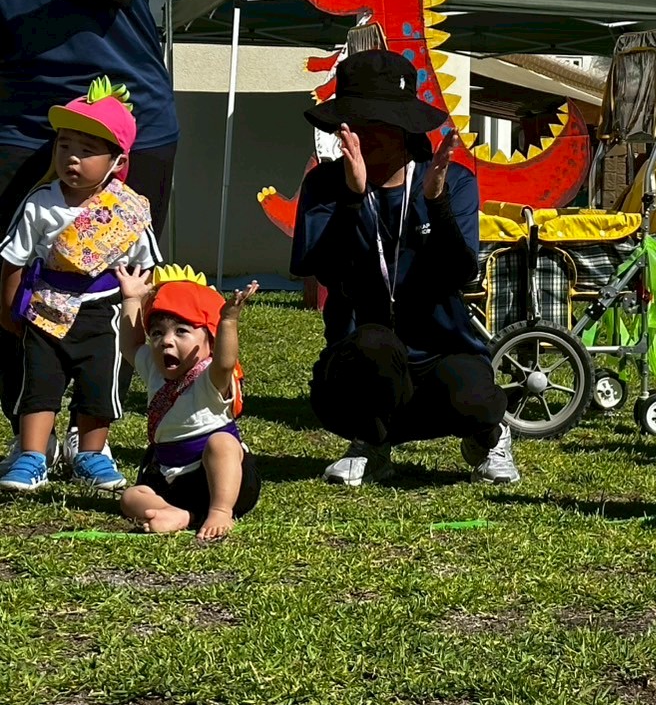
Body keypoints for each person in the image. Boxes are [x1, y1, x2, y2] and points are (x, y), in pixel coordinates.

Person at [0, 0, 178, 464]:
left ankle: (96, 433)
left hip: (133, 119)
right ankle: (31, 432)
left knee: (123, 275)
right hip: (26, 122)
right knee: (17, 269)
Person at [291, 50, 517, 487]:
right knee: (372, 345)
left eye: (379, 122)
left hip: (440, 353)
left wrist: (437, 205)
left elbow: (460, 273)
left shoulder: (451, 181)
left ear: (405, 127)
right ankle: (370, 444)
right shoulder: (325, 184)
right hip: (362, 356)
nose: (364, 134)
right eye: (355, 122)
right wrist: (352, 200)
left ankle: (489, 436)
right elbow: (318, 266)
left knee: (472, 392)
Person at [0, 78, 160, 492]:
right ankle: (33, 454)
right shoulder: (40, 202)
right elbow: (14, 259)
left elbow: (145, 267)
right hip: (44, 308)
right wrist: (8, 308)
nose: (71, 157)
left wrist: (140, 311)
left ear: (117, 161)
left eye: (86, 150)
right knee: (39, 383)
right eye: (65, 145)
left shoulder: (128, 209)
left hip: (103, 312)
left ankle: (91, 454)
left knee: (97, 386)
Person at [116, 265, 260, 540]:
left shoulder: (210, 377)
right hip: (170, 480)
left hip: (223, 482)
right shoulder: (155, 369)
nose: (166, 342)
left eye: (181, 331)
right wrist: (132, 299)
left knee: (222, 443)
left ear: (210, 339)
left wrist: (228, 321)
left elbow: (226, 361)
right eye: (157, 333)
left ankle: (219, 511)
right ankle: (180, 514)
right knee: (132, 497)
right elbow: (130, 345)